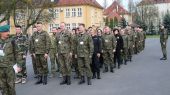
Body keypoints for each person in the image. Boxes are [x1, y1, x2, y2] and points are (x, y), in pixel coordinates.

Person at [0, 25, 20, 95]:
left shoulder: (12, 41)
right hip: (0, 68)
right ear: (1, 33)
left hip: (10, 67)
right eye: (5, 31)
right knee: (2, 86)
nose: (8, 33)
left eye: (8, 31)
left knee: (11, 85)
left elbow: (17, 53)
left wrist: (19, 65)